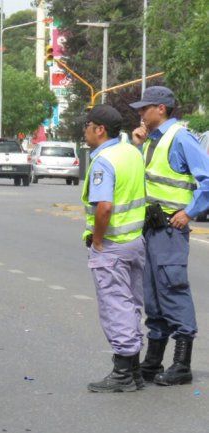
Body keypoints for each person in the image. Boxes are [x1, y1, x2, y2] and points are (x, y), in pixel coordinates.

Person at [129, 86, 209, 386]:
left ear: (161, 109)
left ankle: (182, 364)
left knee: (172, 289)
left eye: (145, 108)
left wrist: (189, 212)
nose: (140, 113)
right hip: (151, 229)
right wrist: (138, 146)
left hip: (171, 230)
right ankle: (153, 361)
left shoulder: (181, 138)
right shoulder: (151, 141)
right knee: (154, 294)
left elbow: (207, 180)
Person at [81, 104, 147, 393]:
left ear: (100, 129)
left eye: (87, 126)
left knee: (115, 306)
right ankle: (134, 370)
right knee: (130, 304)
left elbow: (104, 207)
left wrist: (97, 240)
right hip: (134, 242)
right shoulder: (131, 152)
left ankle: (122, 373)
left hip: (112, 246)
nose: (84, 131)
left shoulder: (104, 161)